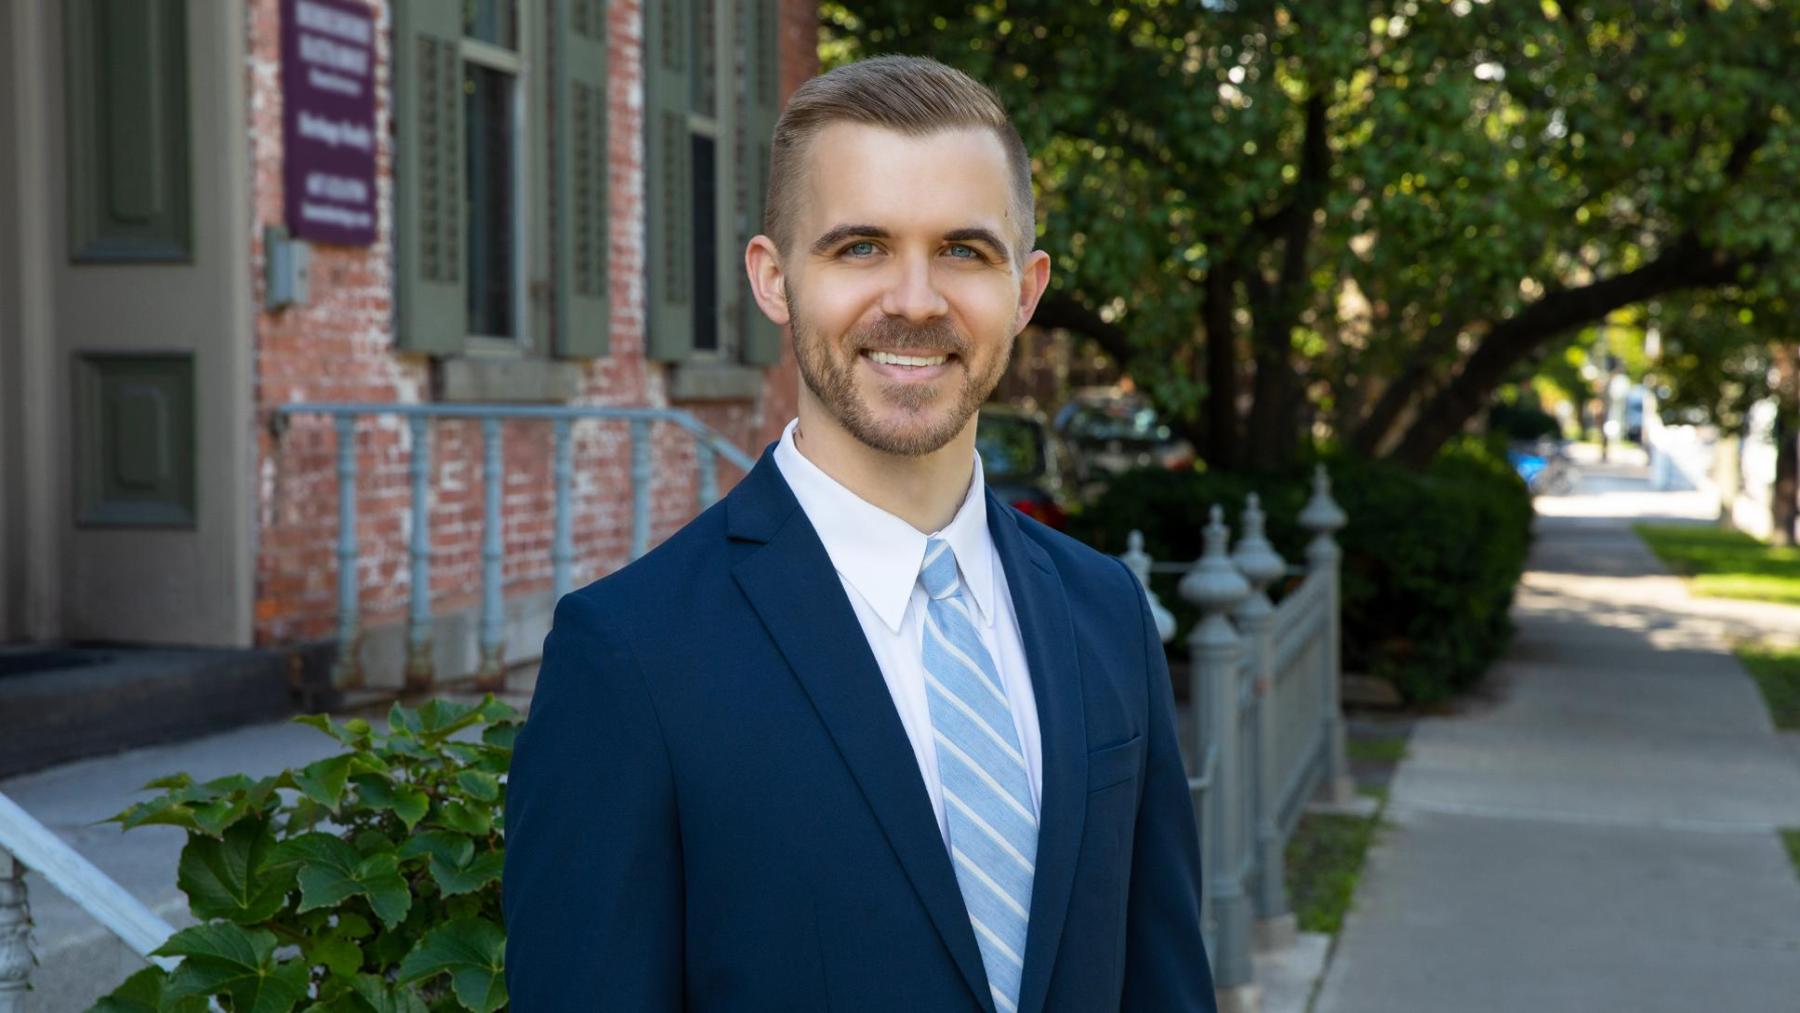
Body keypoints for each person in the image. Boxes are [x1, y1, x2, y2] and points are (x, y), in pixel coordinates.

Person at [502, 55, 1215, 1012]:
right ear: (774, 278)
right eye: (860, 247)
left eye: (964, 250)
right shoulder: (630, 657)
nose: (916, 300)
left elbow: (1162, 980)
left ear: (1028, 288)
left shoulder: (1104, 611)